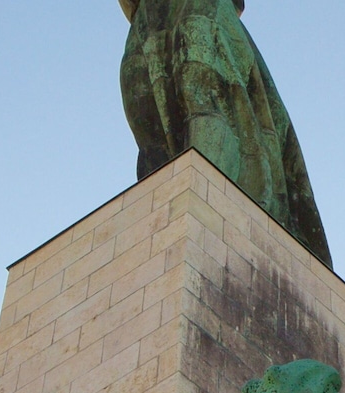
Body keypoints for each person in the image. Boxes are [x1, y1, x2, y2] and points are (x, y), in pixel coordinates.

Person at [119, 0, 332, 267]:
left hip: (199, 7)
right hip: (147, 14)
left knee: (203, 94)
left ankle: (210, 218)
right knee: (146, 121)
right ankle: (164, 229)